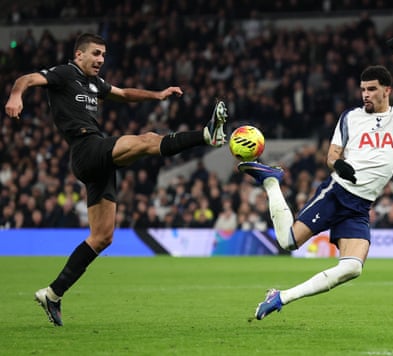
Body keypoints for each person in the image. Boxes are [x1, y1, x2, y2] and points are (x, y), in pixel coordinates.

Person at [4, 33, 228, 326]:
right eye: (95, 53)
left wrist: (157, 95)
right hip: (85, 149)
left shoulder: (95, 84)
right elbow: (27, 79)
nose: (100, 60)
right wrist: (15, 95)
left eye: (103, 55)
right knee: (147, 140)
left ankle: (53, 294)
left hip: (99, 162)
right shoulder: (64, 73)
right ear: (79, 55)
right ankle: (205, 135)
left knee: (102, 237)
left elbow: (123, 93)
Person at [238, 37, 393, 320]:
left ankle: (281, 297)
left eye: (372, 89)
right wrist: (340, 166)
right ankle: (271, 181)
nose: (365, 94)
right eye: (363, 89)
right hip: (337, 192)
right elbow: (331, 155)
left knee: (352, 268)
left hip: (361, 206)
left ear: (387, 91)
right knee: (288, 242)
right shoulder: (350, 117)